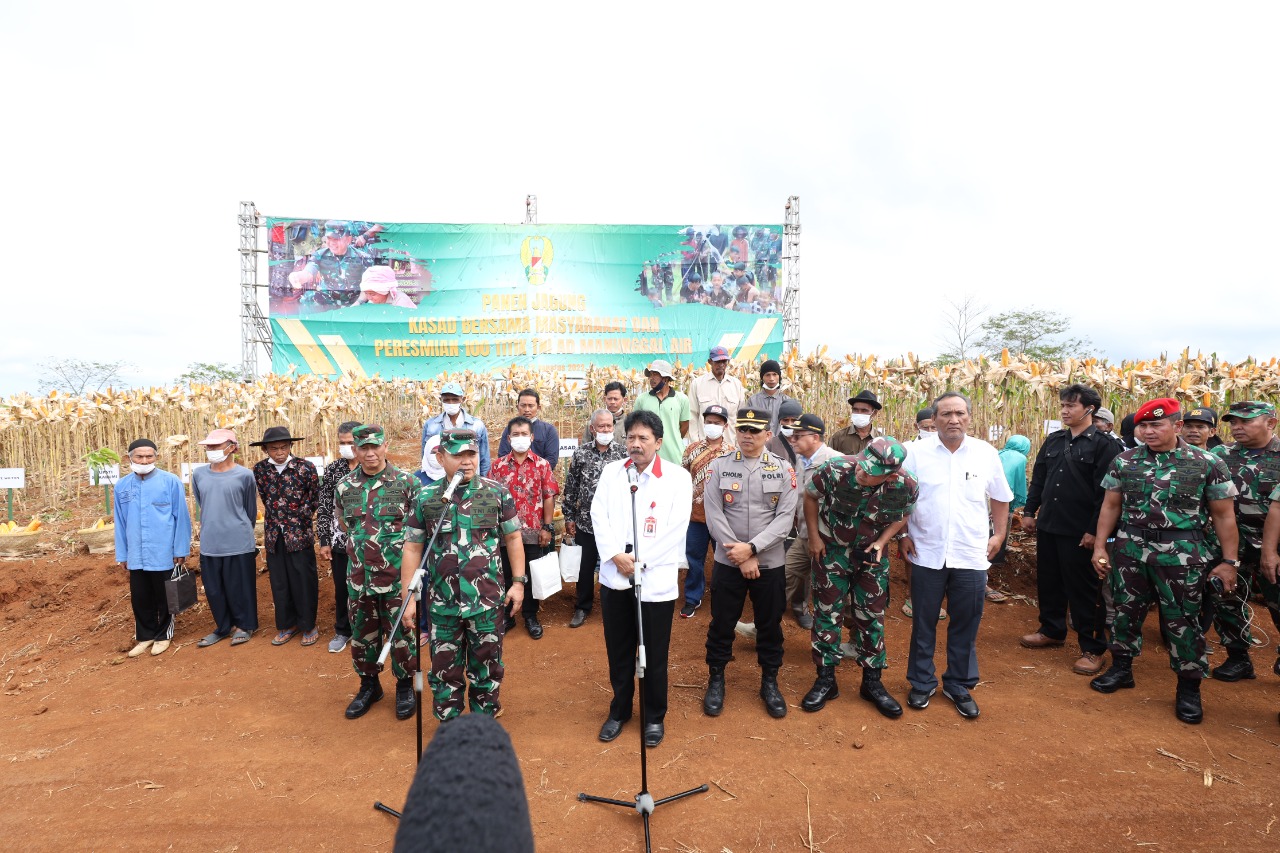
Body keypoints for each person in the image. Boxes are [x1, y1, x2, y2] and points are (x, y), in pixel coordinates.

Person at [1090, 398, 1239, 725]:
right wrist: (1100, 546)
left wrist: (1229, 561)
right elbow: (1110, 507)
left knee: (1183, 620)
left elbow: (1225, 515)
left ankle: (1188, 687)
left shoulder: (1207, 462)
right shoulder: (1124, 461)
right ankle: (1121, 668)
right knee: (1125, 612)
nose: (1148, 431)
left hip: (1182, 555)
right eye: (1143, 426)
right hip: (1130, 550)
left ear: (1177, 426)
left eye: (1156, 424)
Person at [900, 392, 1013, 719]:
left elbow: (1001, 498)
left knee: (965, 622)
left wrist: (1000, 534)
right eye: (946, 414)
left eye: (959, 413)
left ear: (969, 417)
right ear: (933, 420)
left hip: (970, 554)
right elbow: (901, 495)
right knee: (923, 622)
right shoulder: (916, 453)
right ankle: (921, 682)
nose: (953, 419)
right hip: (926, 552)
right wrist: (903, 534)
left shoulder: (985, 453)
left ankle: (958, 684)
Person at [401, 429, 525, 721]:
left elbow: (514, 539)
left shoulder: (496, 492)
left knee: (487, 666)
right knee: (445, 668)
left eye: (471, 454)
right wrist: (408, 598)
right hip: (443, 604)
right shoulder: (427, 498)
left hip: (486, 602)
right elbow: (412, 548)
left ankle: (483, 721)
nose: (466, 461)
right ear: (440, 457)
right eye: (458, 455)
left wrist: (518, 584)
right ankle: (450, 722)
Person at [591, 410, 693, 747]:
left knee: (653, 653)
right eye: (631, 438)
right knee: (619, 651)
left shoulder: (677, 478)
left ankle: (653, 716)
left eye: (643, 438)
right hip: (615, 576)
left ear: (659, 442)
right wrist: (614, 555)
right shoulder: (611, 473)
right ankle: (619, 711)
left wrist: (642, 562)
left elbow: (676, 528)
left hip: (655, 581)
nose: (635, 444)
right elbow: (598, 513)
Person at [802, 438, 918, 717]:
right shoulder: (836, 469)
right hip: (831, 551)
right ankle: (826, 680)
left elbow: (902, 514)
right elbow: (809, 496)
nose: (862, 473)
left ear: (890, 475)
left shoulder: (906, 484)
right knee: (827, 614)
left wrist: (883, 542)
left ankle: (872, 682)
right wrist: (815, 538)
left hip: (871, 557)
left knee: (872, 616)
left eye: (870, 472)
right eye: (863, 464)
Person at [1018, 385, 1124, 675]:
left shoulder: (1105, 445)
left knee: (1085, 589)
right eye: (1063, 405)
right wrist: (1030, 511)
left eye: (1070, 406)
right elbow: (1038, 478)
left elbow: (1107, 496)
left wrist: (1094, 532)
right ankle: (1051, 629)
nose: (1064, 411)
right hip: (1050, 525)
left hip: (1080, 531)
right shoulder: (1054, 441)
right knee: (1049, 582)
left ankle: (1093, 648)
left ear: (1089, 409)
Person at [702, 408, 799, 720]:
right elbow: (713, 514)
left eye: (755, 431)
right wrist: (739, 554)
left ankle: (769, 682)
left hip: (768, 563)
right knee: (721, 623)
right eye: (742, 429)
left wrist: (753, 549)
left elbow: (785, 519)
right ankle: (716, 679)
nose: (747, 435)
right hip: (728, 562)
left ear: (767, 435)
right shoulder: (719, 467)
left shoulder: (783, 470)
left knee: (769, 625)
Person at [335, 424, 423, 721]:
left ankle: (404, 686)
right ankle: (369, 685)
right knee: (362, 637)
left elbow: (419, 534)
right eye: (363, 448)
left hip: (397, 579)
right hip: (359, 579)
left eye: (375, 447)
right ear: (356, 450)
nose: (370, 453)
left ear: (386, 446)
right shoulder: (345, 487)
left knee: (401, 637)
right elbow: (346, 525)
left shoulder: (407, 483)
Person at [1207, 401, 1280, 681]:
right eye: (1233, 422)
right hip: (1229, 542)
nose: (1237, 427)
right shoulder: (1220, 454)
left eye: (1245, 421)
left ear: (1270, 423)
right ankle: (1238, 657)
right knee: (1225, 596)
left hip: (1274, 544)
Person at [114, 438, 192, 657]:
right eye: (139, 456)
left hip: (163, 550)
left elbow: (181, 517)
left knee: (166, 596)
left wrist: (180, 549)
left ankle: (164, 635)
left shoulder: (170, 481)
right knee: (140, 596)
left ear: (156, 457)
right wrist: (122, 554)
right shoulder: (122, 486)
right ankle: (146, 635)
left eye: (149, 456)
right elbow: (119, 522)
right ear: (129, 458)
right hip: (136, 553)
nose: (144, 460)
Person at [251, 426, 321, 647]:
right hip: (273, 535)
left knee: (303, 580)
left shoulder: (305, 467)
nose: (279, 452)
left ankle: (308, 624)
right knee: (280, 582)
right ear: (265, 450)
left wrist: (298, 517)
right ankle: (287, 625)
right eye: (274, 448)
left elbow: (314, 498)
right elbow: (264, 496)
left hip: (299, 534)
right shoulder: (260, 470)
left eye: (283, 447)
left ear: (291, 446)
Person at [490, 417, 559, 639]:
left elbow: (549, 497)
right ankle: (507, 617)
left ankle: (530, 616)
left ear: (532, 437)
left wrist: (547, 527)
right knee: (505, 574)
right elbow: (490, 500)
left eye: (524, 434)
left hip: (533, 532)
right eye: (515, 435)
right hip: (504, 534)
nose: (520, 438)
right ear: (509, 438)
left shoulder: (542, 465)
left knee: (530, 575)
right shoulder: (497, 466)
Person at [192, 429, 260, 648]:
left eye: (216, 446)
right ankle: (223, 627)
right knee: (214, 588)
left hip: (239, 541)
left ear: (232, 447)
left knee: (240, 586)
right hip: (210, 542)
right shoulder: (199, 474)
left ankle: (245, 625)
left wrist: (242, 530)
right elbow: (203, 503)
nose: (211, 450)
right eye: (209, 446)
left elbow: (250, 509)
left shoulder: (245, 475)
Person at [563, 410, 628, 628]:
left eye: (609, 426)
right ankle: (583, 606)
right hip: (586, 523)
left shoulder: (622, 454)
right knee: (586, 566)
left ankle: (618, 605)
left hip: (614, 523)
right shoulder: (581, 453)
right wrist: (569, 516)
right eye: (601, 427)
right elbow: (571, 487)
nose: (606, 430)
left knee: (615, 562)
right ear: (593, 429)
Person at [784, 414, 840, 629]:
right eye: (792, 435)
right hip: (805, 536)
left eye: (798, 436)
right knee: (784, 577)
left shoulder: (835, 462)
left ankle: (858, 640)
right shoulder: (800, 460)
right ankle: (763, 627)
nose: (793, 439)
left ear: (815, 437)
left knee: (836, 594)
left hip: (829, 541)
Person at [680, 404, 735, 619]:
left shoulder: (732, 453)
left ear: (725, 425)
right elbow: (683, 478)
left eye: (717, 423)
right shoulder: (691, 449)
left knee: (724, 558)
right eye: (709, 422)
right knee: (694, 557)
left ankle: (723, 597)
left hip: (723, 516)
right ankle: (693, 598)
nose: (712, 426)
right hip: (695, 515)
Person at [317, 421, 361, 654]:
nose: (346, 447)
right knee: (342, 588)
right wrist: (324, 539)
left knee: (371, 589)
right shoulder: (333, 470)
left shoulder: (374, 468)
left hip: (370, 542)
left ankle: (370, 631)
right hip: (341, 542)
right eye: (342, 443)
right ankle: (343, 630)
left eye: (351, 443)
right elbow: (324, 507)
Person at [287, 220, 371, 310]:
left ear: (348, 239)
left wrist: (358, 303)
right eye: (329, 238)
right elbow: (309, 271)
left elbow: (368, 287)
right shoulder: (320, 255)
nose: (332, 243)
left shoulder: (363, 258)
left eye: (336, 239)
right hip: (327, 299)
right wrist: (297, 276)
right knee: (307, 300)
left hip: (353, 301)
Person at [988, 433, 1030, 601]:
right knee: (1000, 529)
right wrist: (1015, 504)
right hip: (1003, 499)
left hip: (987, 499)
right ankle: (996, 558)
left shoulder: (999, 453)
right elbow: (1017, 483)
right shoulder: (1021, 458)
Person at [423, 381, 492, 476]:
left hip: (469, 477)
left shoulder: (476, 425)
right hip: (440, 478)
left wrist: (483, 482)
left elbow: (484, 459)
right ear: (441, 400)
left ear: (462, 399)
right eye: (446, 400)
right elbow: (425, 456)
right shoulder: (431, 425)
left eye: (455, 399)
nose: (450, 403)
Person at [633, 359, 690, 466]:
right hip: (647, 457)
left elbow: (684, 426)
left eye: (656, 374)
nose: (651, 378)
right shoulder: (641, 399)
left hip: (674, 457)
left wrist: (670, 438)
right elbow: (636, 427)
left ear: (665, 378)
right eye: (651, 374)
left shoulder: (682, 399)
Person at [687, 346, 745, 441]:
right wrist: (695, 443)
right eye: (717, 362)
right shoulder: (697, 384)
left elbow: (741, 418)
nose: (721, 365)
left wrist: (738, 445)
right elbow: (692, 416)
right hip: (704, 447)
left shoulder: (736, 385)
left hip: (729, 447)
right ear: (710, 362)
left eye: (724, 361)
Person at [497, 389, 560, 469]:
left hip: (540, 478)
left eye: (531, 406)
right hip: (513, 477)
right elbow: (503, 455)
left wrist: (532, 474)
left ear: (538, 407)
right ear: (517, 406)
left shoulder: (549, 430)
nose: (527, 410)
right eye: (523, 405)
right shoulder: (510, 429)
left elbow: (552, 459)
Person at [744, 360, 794, 433]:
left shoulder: (787, 401)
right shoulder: (753, 401)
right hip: (759, 443)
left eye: (774, 374)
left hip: (781, 443)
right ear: (762, 377)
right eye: (767, 375)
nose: (771, 378)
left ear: (779, 377)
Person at [829, 390, 882, 455]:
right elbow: (828, 461)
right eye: (855, 410)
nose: (859, 413)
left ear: (874, 413)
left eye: (864, 410)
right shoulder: (838, 437)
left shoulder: (881, 440)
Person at [766, 399, 803, 468]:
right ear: (780, 422)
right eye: (785, 420)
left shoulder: (805, 443)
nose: (789, 424)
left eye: (794, 420)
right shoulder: (770, 444)